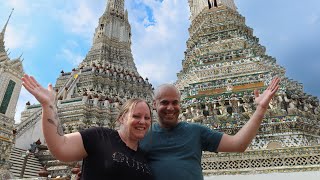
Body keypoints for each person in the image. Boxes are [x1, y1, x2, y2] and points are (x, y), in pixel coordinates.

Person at [140, 77, 281, 180]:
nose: (170, 108)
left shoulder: (195, 131)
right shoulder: (142, 135)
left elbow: (239, 144)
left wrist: (261, 109)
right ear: (154, 104)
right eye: (164, 102)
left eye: (175, 103)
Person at [21, 74, 153, 180]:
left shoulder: (145, 156)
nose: (142, 121)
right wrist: (49, 105)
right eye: (136, 116)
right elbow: (60, 146)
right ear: (121, 118)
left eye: (147, 118)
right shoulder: (100, 137)